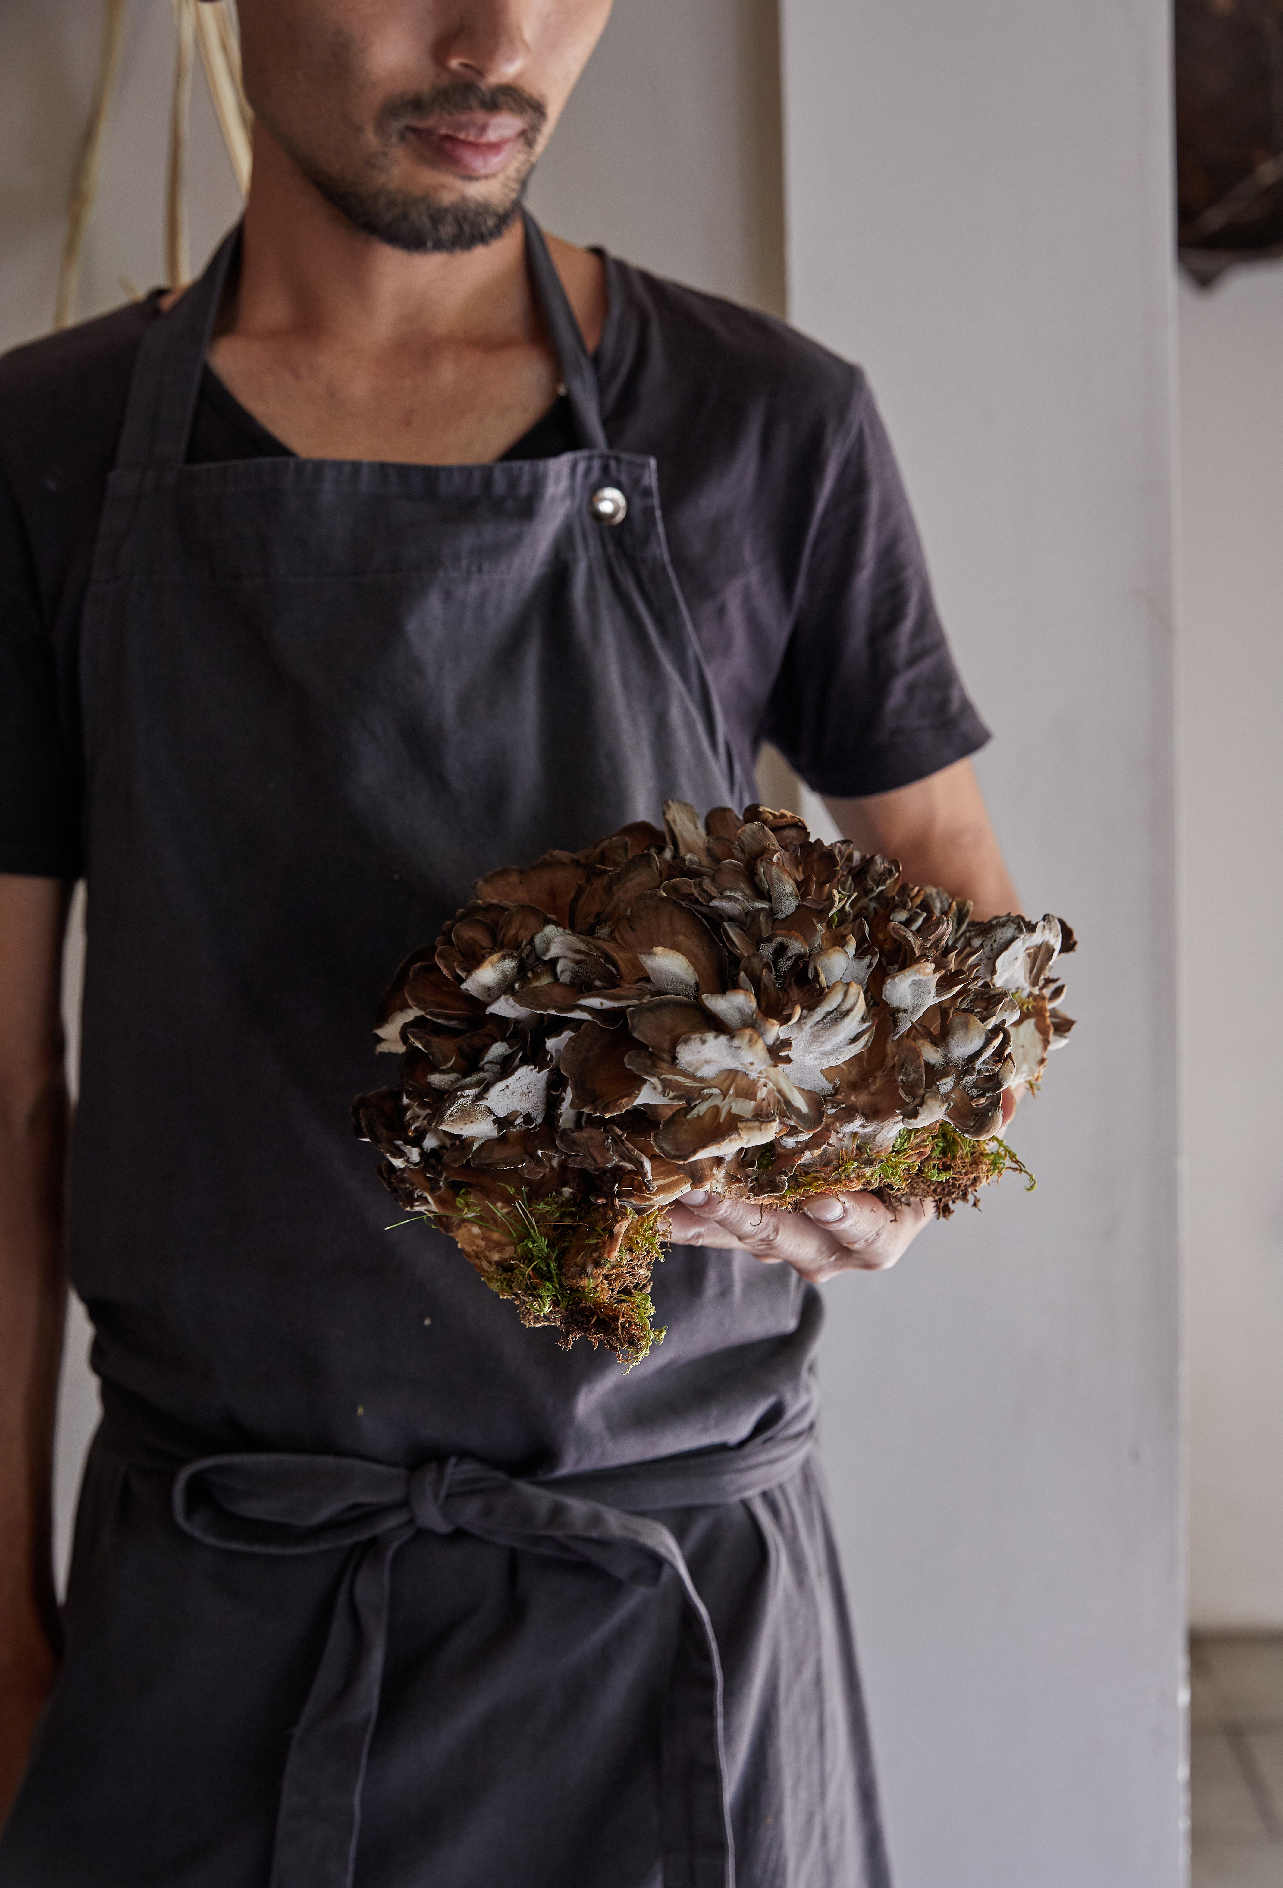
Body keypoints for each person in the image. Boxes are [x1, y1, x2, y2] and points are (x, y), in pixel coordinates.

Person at [0, 2, 1023, 1883]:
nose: (501, 39)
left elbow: (952, 878)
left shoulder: (771, 422)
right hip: (223, 1606)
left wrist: (907, 1144)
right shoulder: (40, 452)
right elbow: (1, 1111)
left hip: (674, 1615)